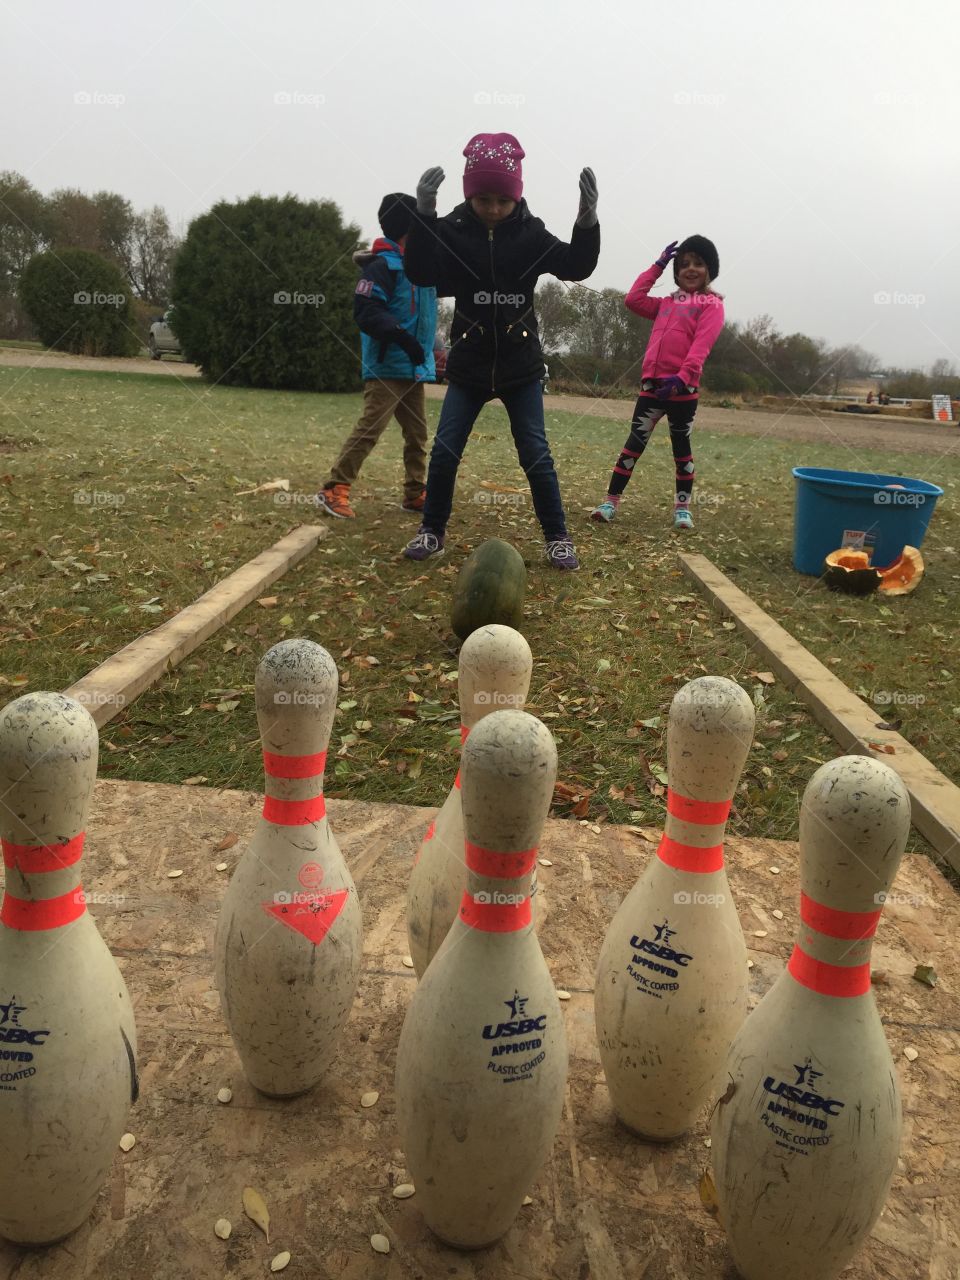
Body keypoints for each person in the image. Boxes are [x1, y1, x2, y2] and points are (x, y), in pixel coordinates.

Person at [399, 133, 600, 569]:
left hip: (519, 365)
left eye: (502, 201)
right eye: (483, 199)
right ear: (469, 194)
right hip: (469, 363)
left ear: (516, 197)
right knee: (445, 450)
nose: (492, 208)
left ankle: (557, 537)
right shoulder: (451, 230)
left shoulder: (531, 233)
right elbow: (420, 272)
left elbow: (576, 265)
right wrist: (425, 215)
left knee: (536, 454)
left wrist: (586, 220)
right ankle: (431, 530)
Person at [315, 194, 437, 519]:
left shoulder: (419, 267)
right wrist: (403, 338)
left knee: (417, 435)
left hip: (414, 368)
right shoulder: (381, 267)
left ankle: (415, 493)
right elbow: (366, 311)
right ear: (409, 227)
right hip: (387, 366)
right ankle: (334, 489)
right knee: (370, 429)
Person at [590, 236, 724, 530]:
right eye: (683, 264)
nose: (690, 269)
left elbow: (701, 347)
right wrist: (658, 265)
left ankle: (682, 509)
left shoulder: (711, 305)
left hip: (683, 390)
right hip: (652, 389)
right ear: (676, 272)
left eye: (698, 263)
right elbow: (633, 299)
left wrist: (682, 378)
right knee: (633, 445)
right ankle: (610, 502)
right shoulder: (665, 304)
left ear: (709, 270)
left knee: (681, 450)